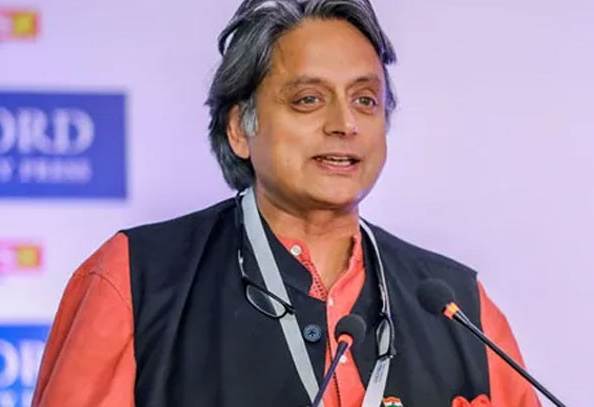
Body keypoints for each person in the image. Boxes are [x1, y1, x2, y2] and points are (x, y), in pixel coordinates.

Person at [32, 1, 542, 406]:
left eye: (365, 100)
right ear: (240, 128)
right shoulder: (136, 280)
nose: (345, 124)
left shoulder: (457, 306)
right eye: (309, 99)